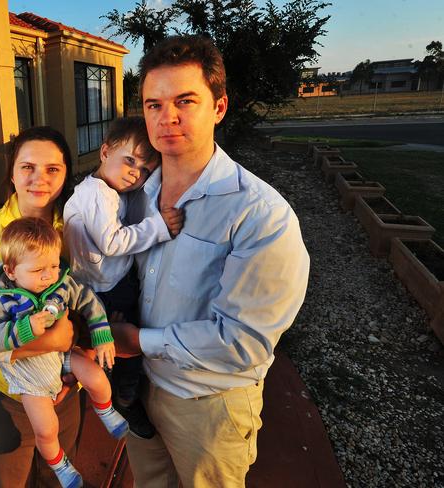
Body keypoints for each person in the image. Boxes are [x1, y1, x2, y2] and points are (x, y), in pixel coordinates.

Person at [110, 35, 311, 487]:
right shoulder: (133, 197)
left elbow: (244, 341)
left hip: (206, 404)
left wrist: (137, 339)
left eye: (185, 100)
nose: (167, 117)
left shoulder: (260, 214)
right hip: (137, 387)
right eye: (153, 104)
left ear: (219, 107)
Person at [0, 126, 82, 487]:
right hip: (4, 394)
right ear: (11, 173)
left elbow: (89, 301)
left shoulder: (75, 231)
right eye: (28, 167)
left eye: (52, 169)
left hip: (64, 387)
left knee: (57, 478)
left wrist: (75, 359)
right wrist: (53, 342)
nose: (39, 179)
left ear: (66, 174)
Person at [0, 217, 128, 488]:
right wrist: (23, 330)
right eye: (38, 270)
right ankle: (60, 464)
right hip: (30, 380)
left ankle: (105, 410)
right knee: (46, 431)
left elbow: (88, 299)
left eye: (55, 266)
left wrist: (101, 334)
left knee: (97, 379)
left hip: (63, 359)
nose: (49, 276)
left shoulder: (60, 285)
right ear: (11, 272)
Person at [63, 116, 184, 440]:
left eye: (144, 169)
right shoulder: (96, 194)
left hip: (113, 281)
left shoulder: (116, 190)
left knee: (122, 340)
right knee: (118, 347)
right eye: (130, 161)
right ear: (105, 152)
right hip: (100, 290)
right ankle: (123, 399)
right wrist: (159, 227)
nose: (136, 173)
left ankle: (119, 389)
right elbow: (112, 242)